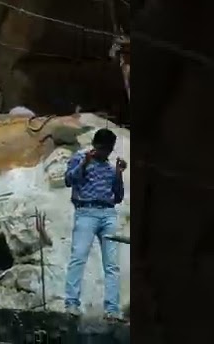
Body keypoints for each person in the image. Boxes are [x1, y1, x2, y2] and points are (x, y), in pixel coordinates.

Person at [62, 128, 126, 321]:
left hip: (108, 213)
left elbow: (118, 196)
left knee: (112, 264)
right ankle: (72, 303)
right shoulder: (79, 158)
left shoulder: (109, 167)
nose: (105, 152)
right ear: (95, 145)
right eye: (103, 148)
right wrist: (84, 163)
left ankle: (112, 308)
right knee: (79, 256)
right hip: (86, 211)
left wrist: (119, 173)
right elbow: (68, 180)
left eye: (109, 149)